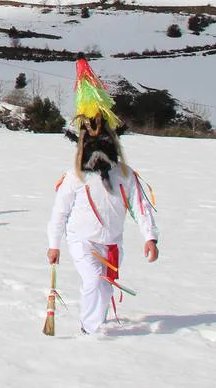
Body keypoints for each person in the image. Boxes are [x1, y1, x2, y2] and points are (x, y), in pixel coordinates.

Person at [46, 58, 159, 335]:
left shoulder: (125, 174)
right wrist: (54, 244)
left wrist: (150, 237)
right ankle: (90, 328)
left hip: (112, 243)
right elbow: (59, 211)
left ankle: (97, 321)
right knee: (94, 281)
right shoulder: (75, 176)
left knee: (106, 286)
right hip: (82, 240)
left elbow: (141, 207)